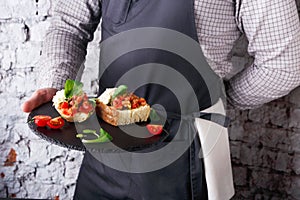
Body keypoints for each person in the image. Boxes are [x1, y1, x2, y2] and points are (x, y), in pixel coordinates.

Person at [22, 0, 300, 199]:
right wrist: (56, 86)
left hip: (183, 155)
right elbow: (68, 25)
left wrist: (219, 101)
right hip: (102, 148)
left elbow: (284, 65)